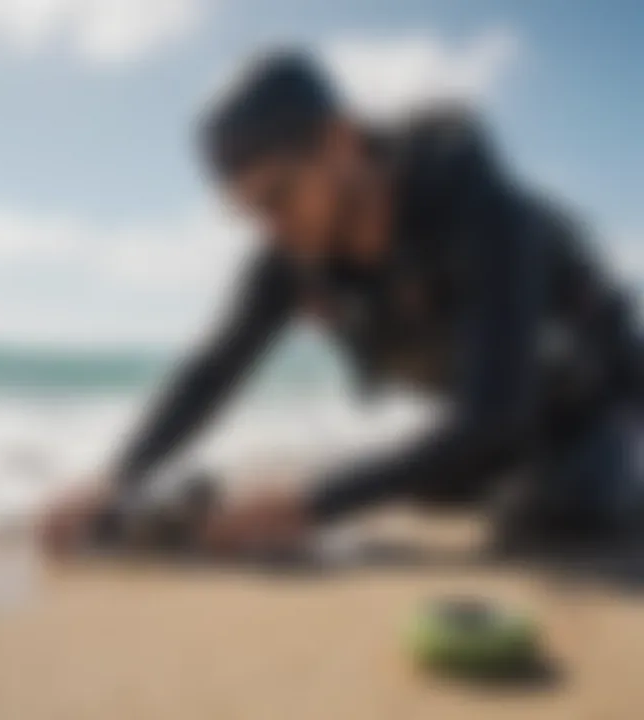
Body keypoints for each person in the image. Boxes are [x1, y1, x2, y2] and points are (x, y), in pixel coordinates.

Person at [42, 51, 642, 557]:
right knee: (430, 487)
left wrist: (312, 503)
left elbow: (493, 415)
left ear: (340, 141)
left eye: (277, 197)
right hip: (509, 426)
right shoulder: (296, 248)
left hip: (605, 398)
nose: (269, 229)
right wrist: (115, 477)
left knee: (556, 515)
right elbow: (212, 370)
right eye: (247, 213)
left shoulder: (482, 208)